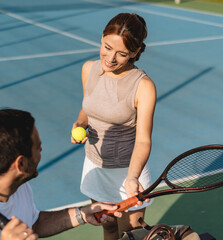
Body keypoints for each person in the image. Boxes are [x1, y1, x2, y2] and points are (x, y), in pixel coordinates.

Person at [0, 108, 121, 240]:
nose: (42, 150)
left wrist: (81, 214)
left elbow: (33, 223)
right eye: (38, 147)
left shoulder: (17, 186)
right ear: (21, 164)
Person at [71, 13, 157, 240]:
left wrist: (132, 177)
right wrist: (80, 123)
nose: (110, 58)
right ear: (101, 38)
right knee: (108, 228)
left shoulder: (144, 86)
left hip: (129, 172)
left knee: (129, 235)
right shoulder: (89, 69)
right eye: (107, 47)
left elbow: (143, 140)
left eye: (122, 54)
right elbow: (87, 109)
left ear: (136, 53)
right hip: (95, 166)